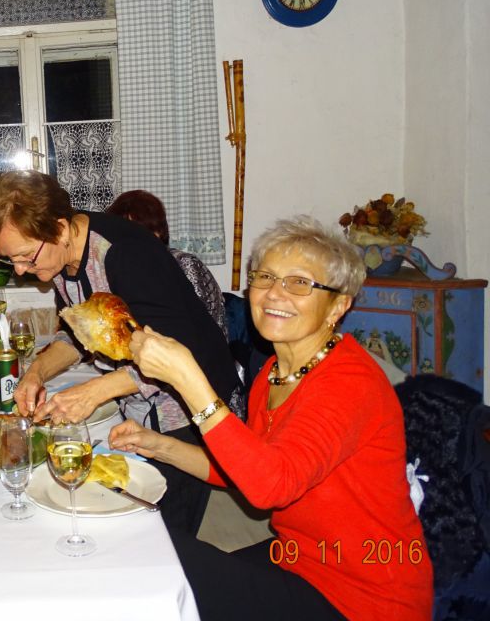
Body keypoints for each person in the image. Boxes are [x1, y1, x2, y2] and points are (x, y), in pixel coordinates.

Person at [110, 215, 432, 621]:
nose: (274, 293)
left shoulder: (350, 382)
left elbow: (269, 487)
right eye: (265, 277)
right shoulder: (274, 373)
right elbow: (244, 468)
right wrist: (159, 446)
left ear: (338, 306)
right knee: (153, 551)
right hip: (300, 561)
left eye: (299, 283)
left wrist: (189, 379)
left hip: (365, 597)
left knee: (160, 559)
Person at [0, 170, 243, 534]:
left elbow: (178, 353)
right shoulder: (59, 258)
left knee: (163, 532)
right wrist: (36, 372)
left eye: (26, 257)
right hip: (142, 413)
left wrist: (94, 392)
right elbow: (77, 335)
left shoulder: (125, 254)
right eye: (11, 260)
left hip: (187, 413)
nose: (21, 270)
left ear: (59, 229)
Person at [106, 189, 227, 337]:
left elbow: (202, 327)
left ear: (159, 232)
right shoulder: (115, 268)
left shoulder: (185, 265)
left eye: (142, 230)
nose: (134, 240)